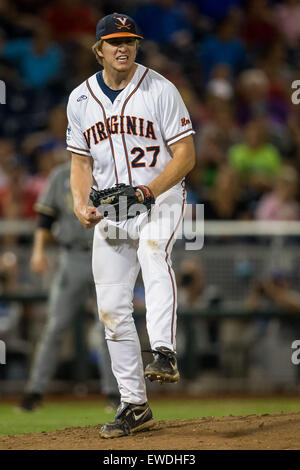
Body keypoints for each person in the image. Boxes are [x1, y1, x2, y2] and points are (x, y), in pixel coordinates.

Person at [67, 13, 195, 438]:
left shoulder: (159, 88)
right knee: (111, 310)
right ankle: (134, 405)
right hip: (113, 210)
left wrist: (149, 190)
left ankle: (163, 351)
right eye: (115, 41)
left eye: (131, 41)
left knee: (153, 251)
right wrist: (80, 202)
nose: (124, 48)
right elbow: (80, 161)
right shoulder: (80, 99)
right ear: (98, 49)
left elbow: (185, 155)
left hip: (161, 197)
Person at [19, 161, 119, 411]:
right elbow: (45, 217)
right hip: (71, 256)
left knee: (109, 327)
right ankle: (34, 393)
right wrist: (38, 251)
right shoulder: (61, 174)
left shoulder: (112, 173)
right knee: (55, 326)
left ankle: (115, 394)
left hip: (108, 253)